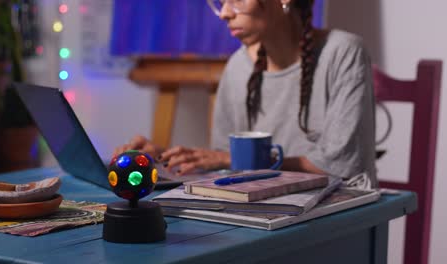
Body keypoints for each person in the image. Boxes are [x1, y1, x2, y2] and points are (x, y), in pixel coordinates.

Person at [113, 0, 377, 186]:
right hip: (269, 213)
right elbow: (226, 164)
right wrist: (165, 158)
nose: (225, 13)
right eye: (221, 2)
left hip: (338, 217)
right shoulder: (239, 65)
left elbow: (340, 165)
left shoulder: (343, 52)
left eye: (237, 0)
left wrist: (230, 159)